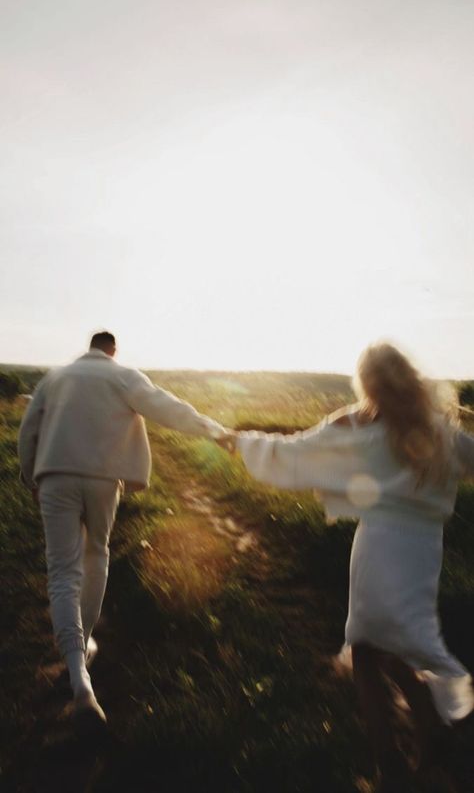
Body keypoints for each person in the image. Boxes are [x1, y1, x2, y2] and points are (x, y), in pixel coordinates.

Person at [218, 342, 474, 791]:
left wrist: (241, 442)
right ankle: (430, 730)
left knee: (366, 651)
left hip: (377, 545)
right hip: (422, 551)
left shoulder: (355, 422)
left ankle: (390, 765)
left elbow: (294, 452)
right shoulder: (442, 432)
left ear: (367, 382)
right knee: (391, 644)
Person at [18, 332, 227, 733]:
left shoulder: (55, 377)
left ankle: (77, 672)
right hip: (104, 481)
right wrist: (215, 431)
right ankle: (85, 644)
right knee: (96, 556)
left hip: (56, 477)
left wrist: (31, 477)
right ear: (112, 350)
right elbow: (169, 408)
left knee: (62, 571)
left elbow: (29, 430)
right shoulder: (124, 376)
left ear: (89, 346)